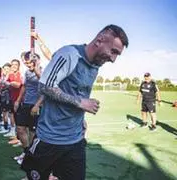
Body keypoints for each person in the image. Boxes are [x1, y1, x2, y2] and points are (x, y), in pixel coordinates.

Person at [21, 24, 129, 180]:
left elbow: (78, 92)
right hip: (50, 139)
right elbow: (45, 86)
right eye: (113, 51)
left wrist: (81, 118)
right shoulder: (69, 54)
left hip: (75, 140)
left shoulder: (95, 65)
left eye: (117, 54)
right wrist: (80, 103)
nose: (113, 59)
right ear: (100, 40)